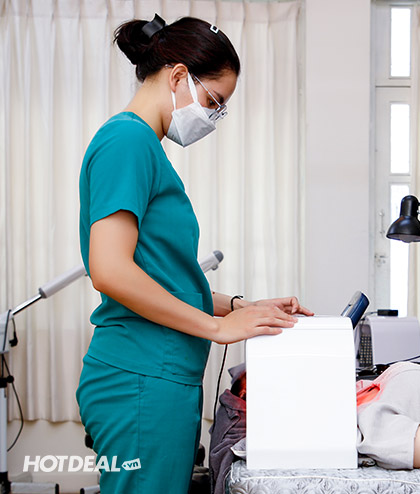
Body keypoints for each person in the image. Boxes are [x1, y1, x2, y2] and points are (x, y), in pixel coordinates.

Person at [75, 14, 313, 494]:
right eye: (213, 102)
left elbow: (165, 277)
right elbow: (110, 270)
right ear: (179, 75)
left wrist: (242, 307)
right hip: (141, 376)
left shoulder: (146, 147)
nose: (213, 117)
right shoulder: (127, 141)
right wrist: (218, 328)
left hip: (161, 376)